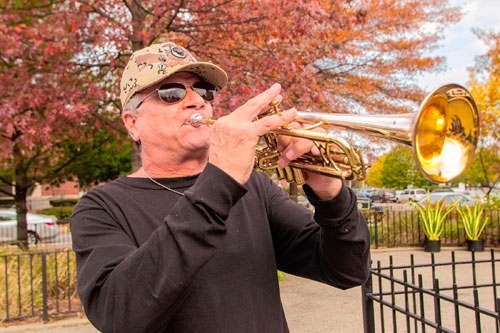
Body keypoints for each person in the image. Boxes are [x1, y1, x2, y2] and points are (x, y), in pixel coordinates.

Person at [70, 41, 371, 332]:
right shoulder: (100, 207)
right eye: (171, 93)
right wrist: (221, 178)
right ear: (132, 123)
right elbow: (119, 315)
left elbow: (347, 270)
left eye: (204, 90)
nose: (197, 100)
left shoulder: (254, 186)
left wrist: (330, 195)